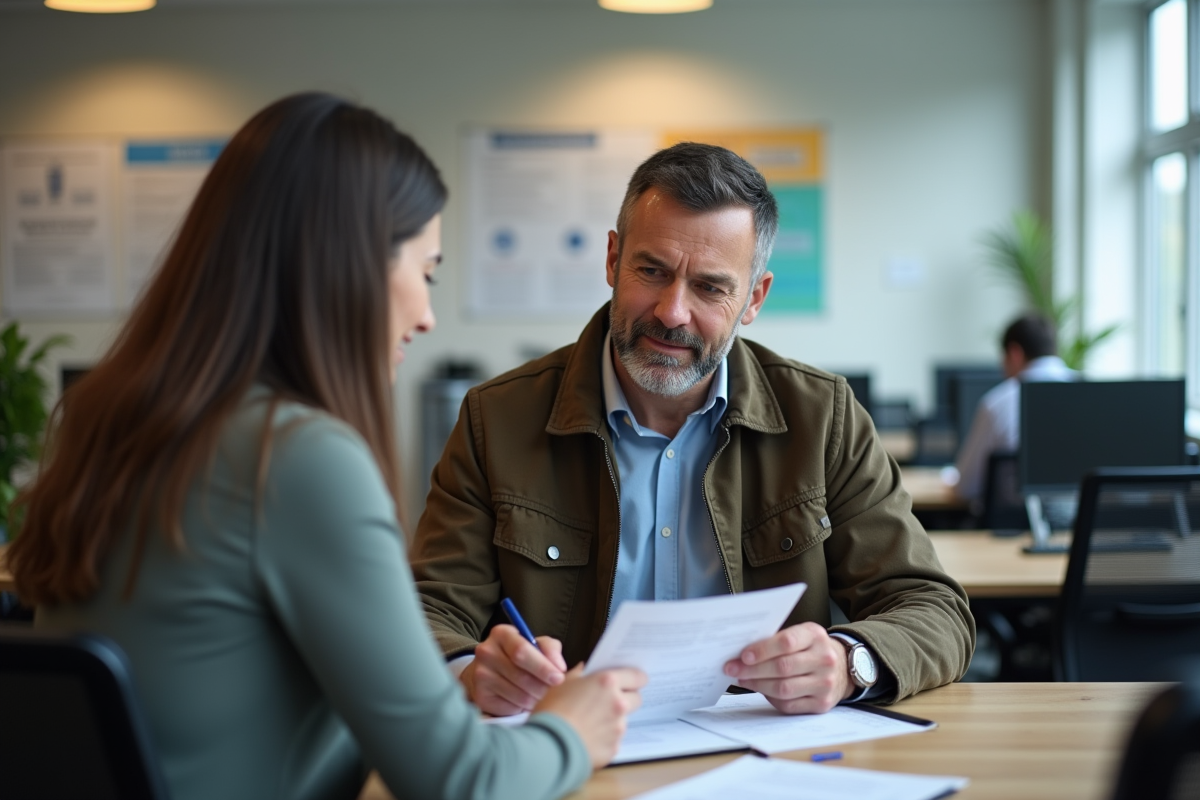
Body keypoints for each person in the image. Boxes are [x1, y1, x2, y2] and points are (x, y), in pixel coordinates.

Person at [6, 93, 644, 800]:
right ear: (352, 263)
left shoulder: (107, 422)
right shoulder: (297, 459)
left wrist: (460, 677)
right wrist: (573, 728)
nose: (429, 316)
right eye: (426, 272)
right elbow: (462, 781)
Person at [410, 142, 975, 720]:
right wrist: (470, 671)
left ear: (753, 298)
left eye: (710, 287)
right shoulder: (497, 419)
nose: (672, 312)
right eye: (651, 271)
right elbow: (426, 613)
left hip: (761, 763)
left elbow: (932, 609)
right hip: (571, 756)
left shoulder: (823, 417)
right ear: (612, 259)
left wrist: (848, 661)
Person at [952, 313, 1077, 507]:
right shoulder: (1095, 394)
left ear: (1014, 353)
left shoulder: (997, 403)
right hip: (1085, 529)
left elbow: (966, 488)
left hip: (1011, 532)